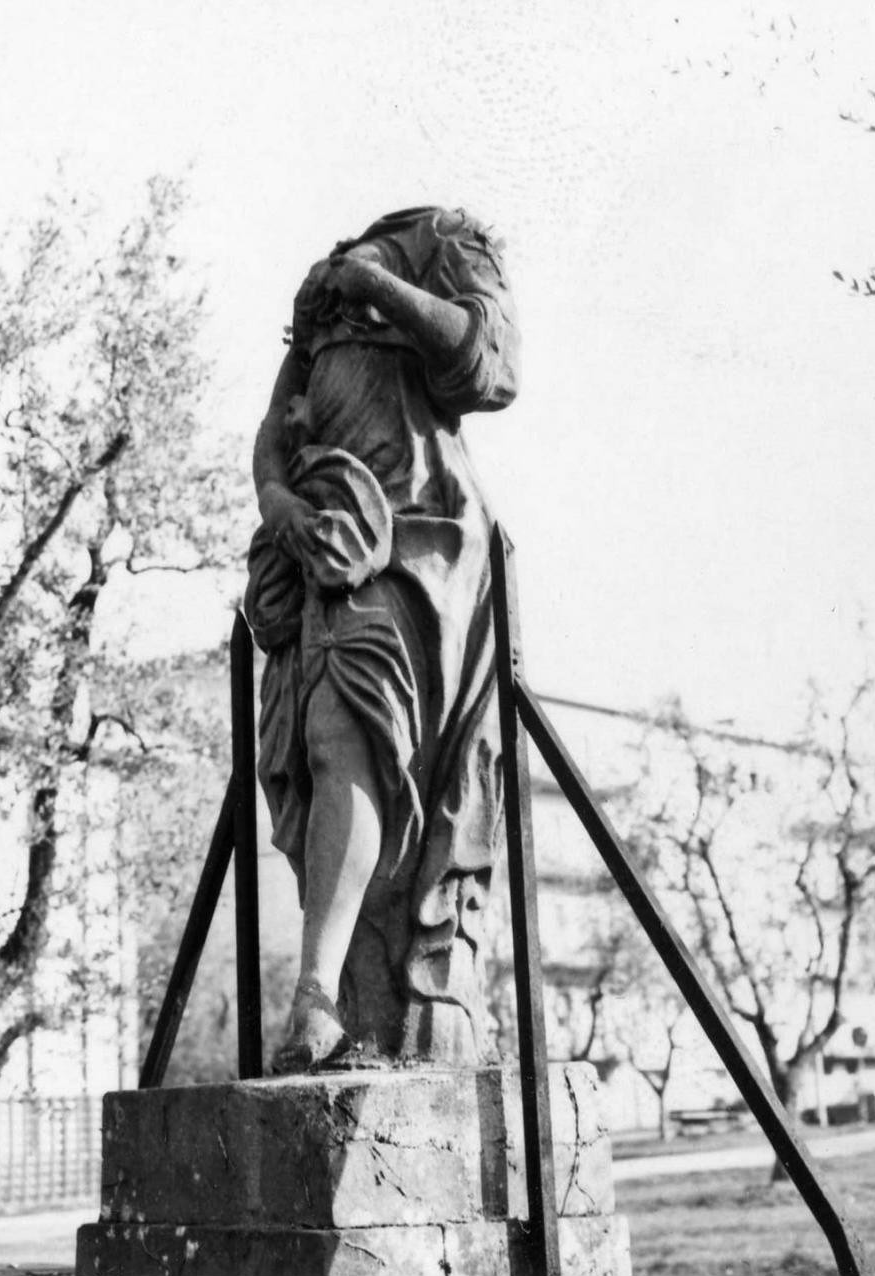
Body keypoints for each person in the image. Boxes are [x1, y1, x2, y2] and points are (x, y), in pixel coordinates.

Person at [246, 206, 519, 1071]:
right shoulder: (322, 282)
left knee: (348, 739)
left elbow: (490, 369)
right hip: (331, 541)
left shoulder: (446, 240)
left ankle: (319, 996)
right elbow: (274, 429)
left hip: (424, 543)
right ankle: (330, 991)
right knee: (325, 747)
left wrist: (377, 286)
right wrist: (279, 504)